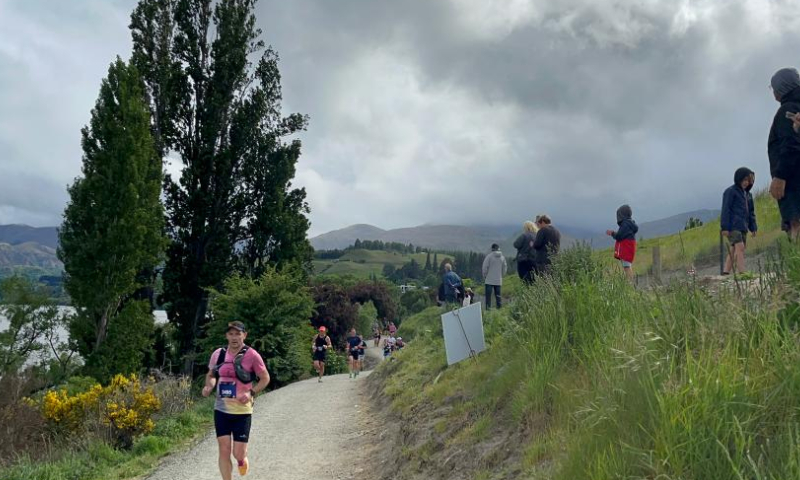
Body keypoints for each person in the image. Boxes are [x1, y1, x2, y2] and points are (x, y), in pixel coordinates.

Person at [202, 321, 270, 480]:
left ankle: (241, 460)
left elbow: (265, 378)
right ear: (226, 335)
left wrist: (251, 393)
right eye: (231, 334)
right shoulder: (218, 354)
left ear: (244, 335)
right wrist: (208, 386)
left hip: (242, 410)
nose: (234, 337)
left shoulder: (252, 355)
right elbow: (211, 375)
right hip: (221, 409)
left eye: (237, 334)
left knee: (238, 453)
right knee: (223, 450)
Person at [769, 68, 800, 241]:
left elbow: (791, 144)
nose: (773, 92)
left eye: (774, 88)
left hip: (793, 182)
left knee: (796, 225)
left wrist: (780, 176)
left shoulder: (788, 109)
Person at [721, 168, 757, 275]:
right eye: (744, 180)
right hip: (732, 226)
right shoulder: (730, 192)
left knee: (734, 248)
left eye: (749, 180)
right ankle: (742, 273)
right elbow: (726, 209)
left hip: (743, 226)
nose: (746, 182)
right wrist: (725, 227)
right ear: (738, 179)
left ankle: (725, 272)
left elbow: (751, 212)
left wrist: (753, 227)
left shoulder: (748, 195)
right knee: (740, 247)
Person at [606, 205, 639, 282]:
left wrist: (612, 233)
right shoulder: (630, 224)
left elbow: (619, 236)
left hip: (626, 248)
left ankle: (630, 283)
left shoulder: (625, 224)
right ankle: (629, 282)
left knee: (627, 266)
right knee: (627, 265)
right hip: (630, 246)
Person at [482, 243, 507, 309]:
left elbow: (485, 267)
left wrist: (485, 276)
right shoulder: (502, 257)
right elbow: (504, 268)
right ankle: (499, 310)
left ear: (492, 249)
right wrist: (502, 276)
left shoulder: (489, 256)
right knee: (498, 296)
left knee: (488, 297)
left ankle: (488, 310)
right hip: (498, 280)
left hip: (489, 280)